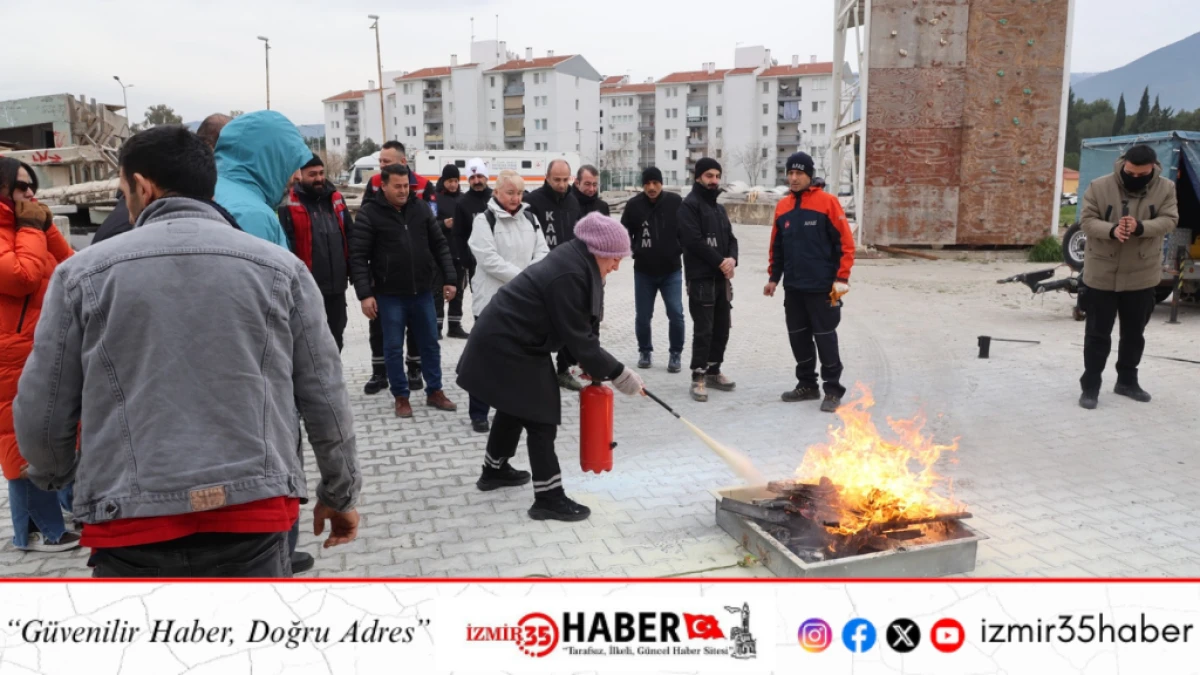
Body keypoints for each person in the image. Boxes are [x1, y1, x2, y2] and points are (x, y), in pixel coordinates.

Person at [13, 126, 361, 577]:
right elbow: (325, 396)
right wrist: (339, 492)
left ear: (141, 186)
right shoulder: (281, 269)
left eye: (124, 190)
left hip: (130, 522)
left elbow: (44, 404)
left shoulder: (81, 275)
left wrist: (55, 472)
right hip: (253, 513)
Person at [458, 212, 643, 522]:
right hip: (506, 343)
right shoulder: (570, 272)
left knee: (514, 406)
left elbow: (582, 324)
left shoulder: (581, 263)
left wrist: (590, 364)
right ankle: (549, 497)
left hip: (516, 340)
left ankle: (494, 470)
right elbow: (581, 338)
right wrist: (619, 374)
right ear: (599, 250)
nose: (616, 265)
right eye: (614, 258)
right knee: (541, 416)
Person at [0, 158, 80, 553]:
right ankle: (42, 531)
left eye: (31, 185)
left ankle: (55, 515)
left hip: (41, 346)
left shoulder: (25, 225)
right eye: (20, 187)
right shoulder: (12, 231)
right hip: (9, 355)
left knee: (57, 430)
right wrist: (32, 229)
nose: (30, 193)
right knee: (19, 441)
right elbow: (21, 277)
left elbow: (70, 266)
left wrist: (44, 228)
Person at [351, 164, 458, 419]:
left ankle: (435, 391)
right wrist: (365, 295)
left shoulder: (420, 208)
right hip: (389, 295)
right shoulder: (369, 214)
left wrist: (450, 278)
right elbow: (357, 257)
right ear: (384, 186)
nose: (403, 191)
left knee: (430, 344)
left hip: (422, 292)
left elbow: (439, 244)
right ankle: (401, 396)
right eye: (397, 186)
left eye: (406, 186)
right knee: (393, 347)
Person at [1077, 144, 1179, 410]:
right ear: (1123, 164)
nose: (1134, 178)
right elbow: (1086, 221)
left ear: (1153, 168)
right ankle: (1090, 386)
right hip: (1101, 275)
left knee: (1134, 334)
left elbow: (1170, 220)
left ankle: (1126, 381)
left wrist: (1141, 227)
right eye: (1130, 173)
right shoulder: (1099, 186)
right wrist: (1112, 231)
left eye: (1141, 174)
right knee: (1097, 335)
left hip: (1141, 276)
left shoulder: (1166, 188)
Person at [764, 152, 856, 413]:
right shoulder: (782, 207)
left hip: (826, 288)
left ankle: (833, 390)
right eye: (790, 173)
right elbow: (777, 247)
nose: (793, 178)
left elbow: (846, 244)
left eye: (798, 174)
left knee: (826, 338)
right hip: (794, 288)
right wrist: (773, 278)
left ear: (809, 175)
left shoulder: (828, 203)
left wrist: (842, 281)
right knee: (798, 338)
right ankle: (807, 385)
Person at [466, 170, 551, 433]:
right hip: (491, 301)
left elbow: (543, 252)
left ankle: (514, 410)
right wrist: (523, 279)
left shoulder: (530, 218)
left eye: (519, 192)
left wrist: (528, 279)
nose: (516, 198)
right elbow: (488, 259)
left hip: (523, 303)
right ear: (497, 192)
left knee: (518, 360)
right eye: (510, 192)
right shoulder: (484, 220)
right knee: (485, 361)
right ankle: (479, 413)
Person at [95, 113, 232, 246]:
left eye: (125, 194)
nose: (129, 215)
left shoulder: (97, 259)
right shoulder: (248, 252)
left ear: (143, 189)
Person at [362, 141, 434, 394]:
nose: (381, 165)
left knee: (419, 332)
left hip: (418, 277)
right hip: (384, 278)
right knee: (381, 331)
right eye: (380, 161)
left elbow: (431, 231)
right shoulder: (374, 184)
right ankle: (379, 372)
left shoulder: (424, 187)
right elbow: (365, 228)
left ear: (403, 163)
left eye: (386, 161)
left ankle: (414, 369)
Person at [678, 157, 738, 403]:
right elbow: (693, 242)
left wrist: (732, 259)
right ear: (698, 177)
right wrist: (720, 262)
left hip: (721, 280)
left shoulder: (719, 208)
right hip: (701, 278)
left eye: (716, 176)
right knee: (704, 330)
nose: (714, 181)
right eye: (709, 176)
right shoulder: (689, 206)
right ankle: (698, 376)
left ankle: (714, 371)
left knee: (722, 328)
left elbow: (731, 239)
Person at [279, 154, 353, 350]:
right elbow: (287, 245)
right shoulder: (289, 204)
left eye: (321, 173)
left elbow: (350, 236)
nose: (319, 178)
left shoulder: (336, 199)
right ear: (300, 175)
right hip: (306, 288)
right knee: (310, 342)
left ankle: (333, 379)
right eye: (312, 174)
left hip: (337, 287)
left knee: (336, 336)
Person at [524, 158, 585, 391]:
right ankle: (538, 371)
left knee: (566, 324)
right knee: (540, 324)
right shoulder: (533, 201)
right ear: (547, 178)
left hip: (568, 271)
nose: (561, 184)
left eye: (565, 179)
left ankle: (563, 370)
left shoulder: (573, 200)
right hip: (542, 271)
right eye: (556, 179)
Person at [213, 111, 311, 248]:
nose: (299, 176)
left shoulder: (208, 190)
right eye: (291, 164)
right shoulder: (253, 216)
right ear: (272, 159)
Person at [622, 166, 685, 373]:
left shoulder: (675, 202)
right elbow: (623, 233)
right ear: (643, 185)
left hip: (671, 271)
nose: (651, 187)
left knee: (676, 314)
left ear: (661, 183)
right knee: (643, 316)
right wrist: (634, 250)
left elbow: (687, 230)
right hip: (644, 272)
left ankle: (675, 354)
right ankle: (645, 351)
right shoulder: (633, 205)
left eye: (655, 183)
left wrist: (679, 249)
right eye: (647, 183)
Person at [434, 164, 470, 340]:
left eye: (456, 180)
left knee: (459, 291)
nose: (453, 184)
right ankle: (437, 327)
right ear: (443, 180)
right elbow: (428, 224)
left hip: (460, 253)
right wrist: (443, 224)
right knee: (439, 291)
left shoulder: (463, 199)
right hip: (441, 253)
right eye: (450, 181)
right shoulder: (435, 199)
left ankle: (455, 326)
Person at [453, 158, 494, 276]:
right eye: (472, 177)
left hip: (499, 258)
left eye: (480, 176)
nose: (476, 181)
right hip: (476, 263)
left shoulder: (496, 198)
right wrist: (466, 260)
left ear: (486, 177)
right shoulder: (462, 203)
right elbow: (458, 234)